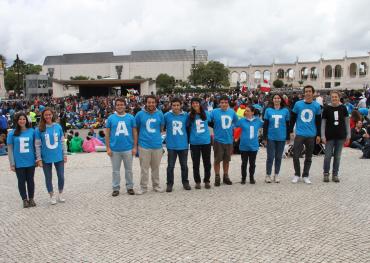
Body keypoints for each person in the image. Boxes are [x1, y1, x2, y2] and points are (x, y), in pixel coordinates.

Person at [290, 85, 322, 184]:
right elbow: (293, 118)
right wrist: (291, 131)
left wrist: (318, 134)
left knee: (309, 156)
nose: (308, 93)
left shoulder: (317, 106)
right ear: (304, 93)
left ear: (313, 93)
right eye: (306, 91)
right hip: (299, 133)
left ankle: (306, 175)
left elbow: (318, 122)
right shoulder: (298, 104)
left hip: (311, 134)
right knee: (295, 155)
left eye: (309, 91)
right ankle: (297, 174)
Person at [106, 98, 137, 196]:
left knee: (129, 170)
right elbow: (107, 134)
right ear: (116, 106)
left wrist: (135, 147)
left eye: (122, 104)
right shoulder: (111, 118)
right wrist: (108, 148)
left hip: (128, 148)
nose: (120, 106)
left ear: (125, 106)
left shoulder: (131, 118)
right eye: (118, 105)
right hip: (115, 149)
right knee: (115, 171)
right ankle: (116, 188)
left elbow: (135, 132)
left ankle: (130, 187)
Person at [35, 108, 67, 205]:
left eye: (49, 114)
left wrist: (65, 154)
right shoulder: (39, 129)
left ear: (52, 115)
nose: (48, 116)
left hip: (58, 156)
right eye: (46, 115)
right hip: (46, 157)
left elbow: (62, 141)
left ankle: (60, 193)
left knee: (61, 176)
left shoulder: (58, 127)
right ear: (43, 116)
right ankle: (51, 195)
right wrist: (39, 159)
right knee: (48, 177)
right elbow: (37, 146)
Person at [135, 95, 164, 194]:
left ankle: (156, 185)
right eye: (149, 102)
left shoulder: (160, 114)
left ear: (156, 103)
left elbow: (161, 128)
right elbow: (136, 128)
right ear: (146, 103)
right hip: (144, 144)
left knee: (156, 167)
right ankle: (143, 187)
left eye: (153, 102)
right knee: (144, 168)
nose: (151, 104)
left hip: (157, 145)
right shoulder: (139, 114)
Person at [7, 112, 37, 208]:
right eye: (20, 119)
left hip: (30, 160)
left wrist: (37, 159)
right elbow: (10, 149)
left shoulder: (32, 131)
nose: (22, 121)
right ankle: (24, 199)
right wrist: (12, 163)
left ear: (26, 120)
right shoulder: (12, 133)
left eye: (24, 119)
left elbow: (36, 146)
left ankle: (31, 198)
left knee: (30, 181)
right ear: (17, 120)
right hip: (19, 162)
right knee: (21, 181)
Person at [321, 91, 351, 183]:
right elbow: (323, 123)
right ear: (330, 98)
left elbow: (347, 122)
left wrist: (348, 135)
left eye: (336, 97)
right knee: (327, 156)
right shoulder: (326, 108)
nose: (334, 98)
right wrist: (322, 135)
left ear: (339, 98)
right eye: (333, 97)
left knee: (337, 157)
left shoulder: (343, 108)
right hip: (329, 136)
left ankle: (335, 174)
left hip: (340, 136)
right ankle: (326, 173)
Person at [210, 95, 238, 186]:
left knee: (226, 160)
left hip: (229, 139)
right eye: (222, 102)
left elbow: (236, 122)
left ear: (228, 103)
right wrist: (214, 127)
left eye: (226, 102)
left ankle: (226, 176)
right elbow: (208, 120)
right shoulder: (214, 112)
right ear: (219, 103)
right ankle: (217, 177)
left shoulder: (232, 112)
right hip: (218, 140)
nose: (224, 104)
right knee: (217, 160)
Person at [164, 98, 191, 192]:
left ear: (181, 105)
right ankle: (169, 183)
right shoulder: (167, 115)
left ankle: (185, 182)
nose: (176, 107)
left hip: (183, 144)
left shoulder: (186, 115)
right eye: (174, 105)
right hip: (171, 145)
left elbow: (189, 127)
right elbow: (162, 127)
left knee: (184, 165)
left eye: (177, 105)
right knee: (170, 166)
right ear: (171, 106)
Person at [263, 94, 290, 183]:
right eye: (275, 98)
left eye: (278, 98)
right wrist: (264, 137)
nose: (277, 99)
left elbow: (287, 125)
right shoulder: (268, 110)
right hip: (271, 137)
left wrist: (288, 137)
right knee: (270, 156)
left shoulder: (285, 110)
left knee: (278, 157)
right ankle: (268, 174)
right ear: (272, 100)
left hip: (281, 137)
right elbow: (265, 125)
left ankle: (276, 174)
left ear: (281, 100)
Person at [188, 97, 212, 189]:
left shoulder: (206, 113)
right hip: (194, 142)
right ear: (191, 105)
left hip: (206, 141)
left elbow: (212, 123)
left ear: (199, 104)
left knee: (207, 162)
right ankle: (197, 181)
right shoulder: (189, 114)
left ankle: (207, 180)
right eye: (193, 103)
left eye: (196, 103)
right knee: (196, 163)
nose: (195, 105)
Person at [236, 105, 263, 184]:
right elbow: (233, 125)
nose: (246, 112)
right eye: (245, 110)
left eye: (248, 111)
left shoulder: (258, 121)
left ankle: (251, 177)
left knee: (252, 163)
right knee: (244, 163)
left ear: (252, 112)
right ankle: (243, 178)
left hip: (254, 146)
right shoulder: (241, 121)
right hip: (243, 146)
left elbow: (266, 124)